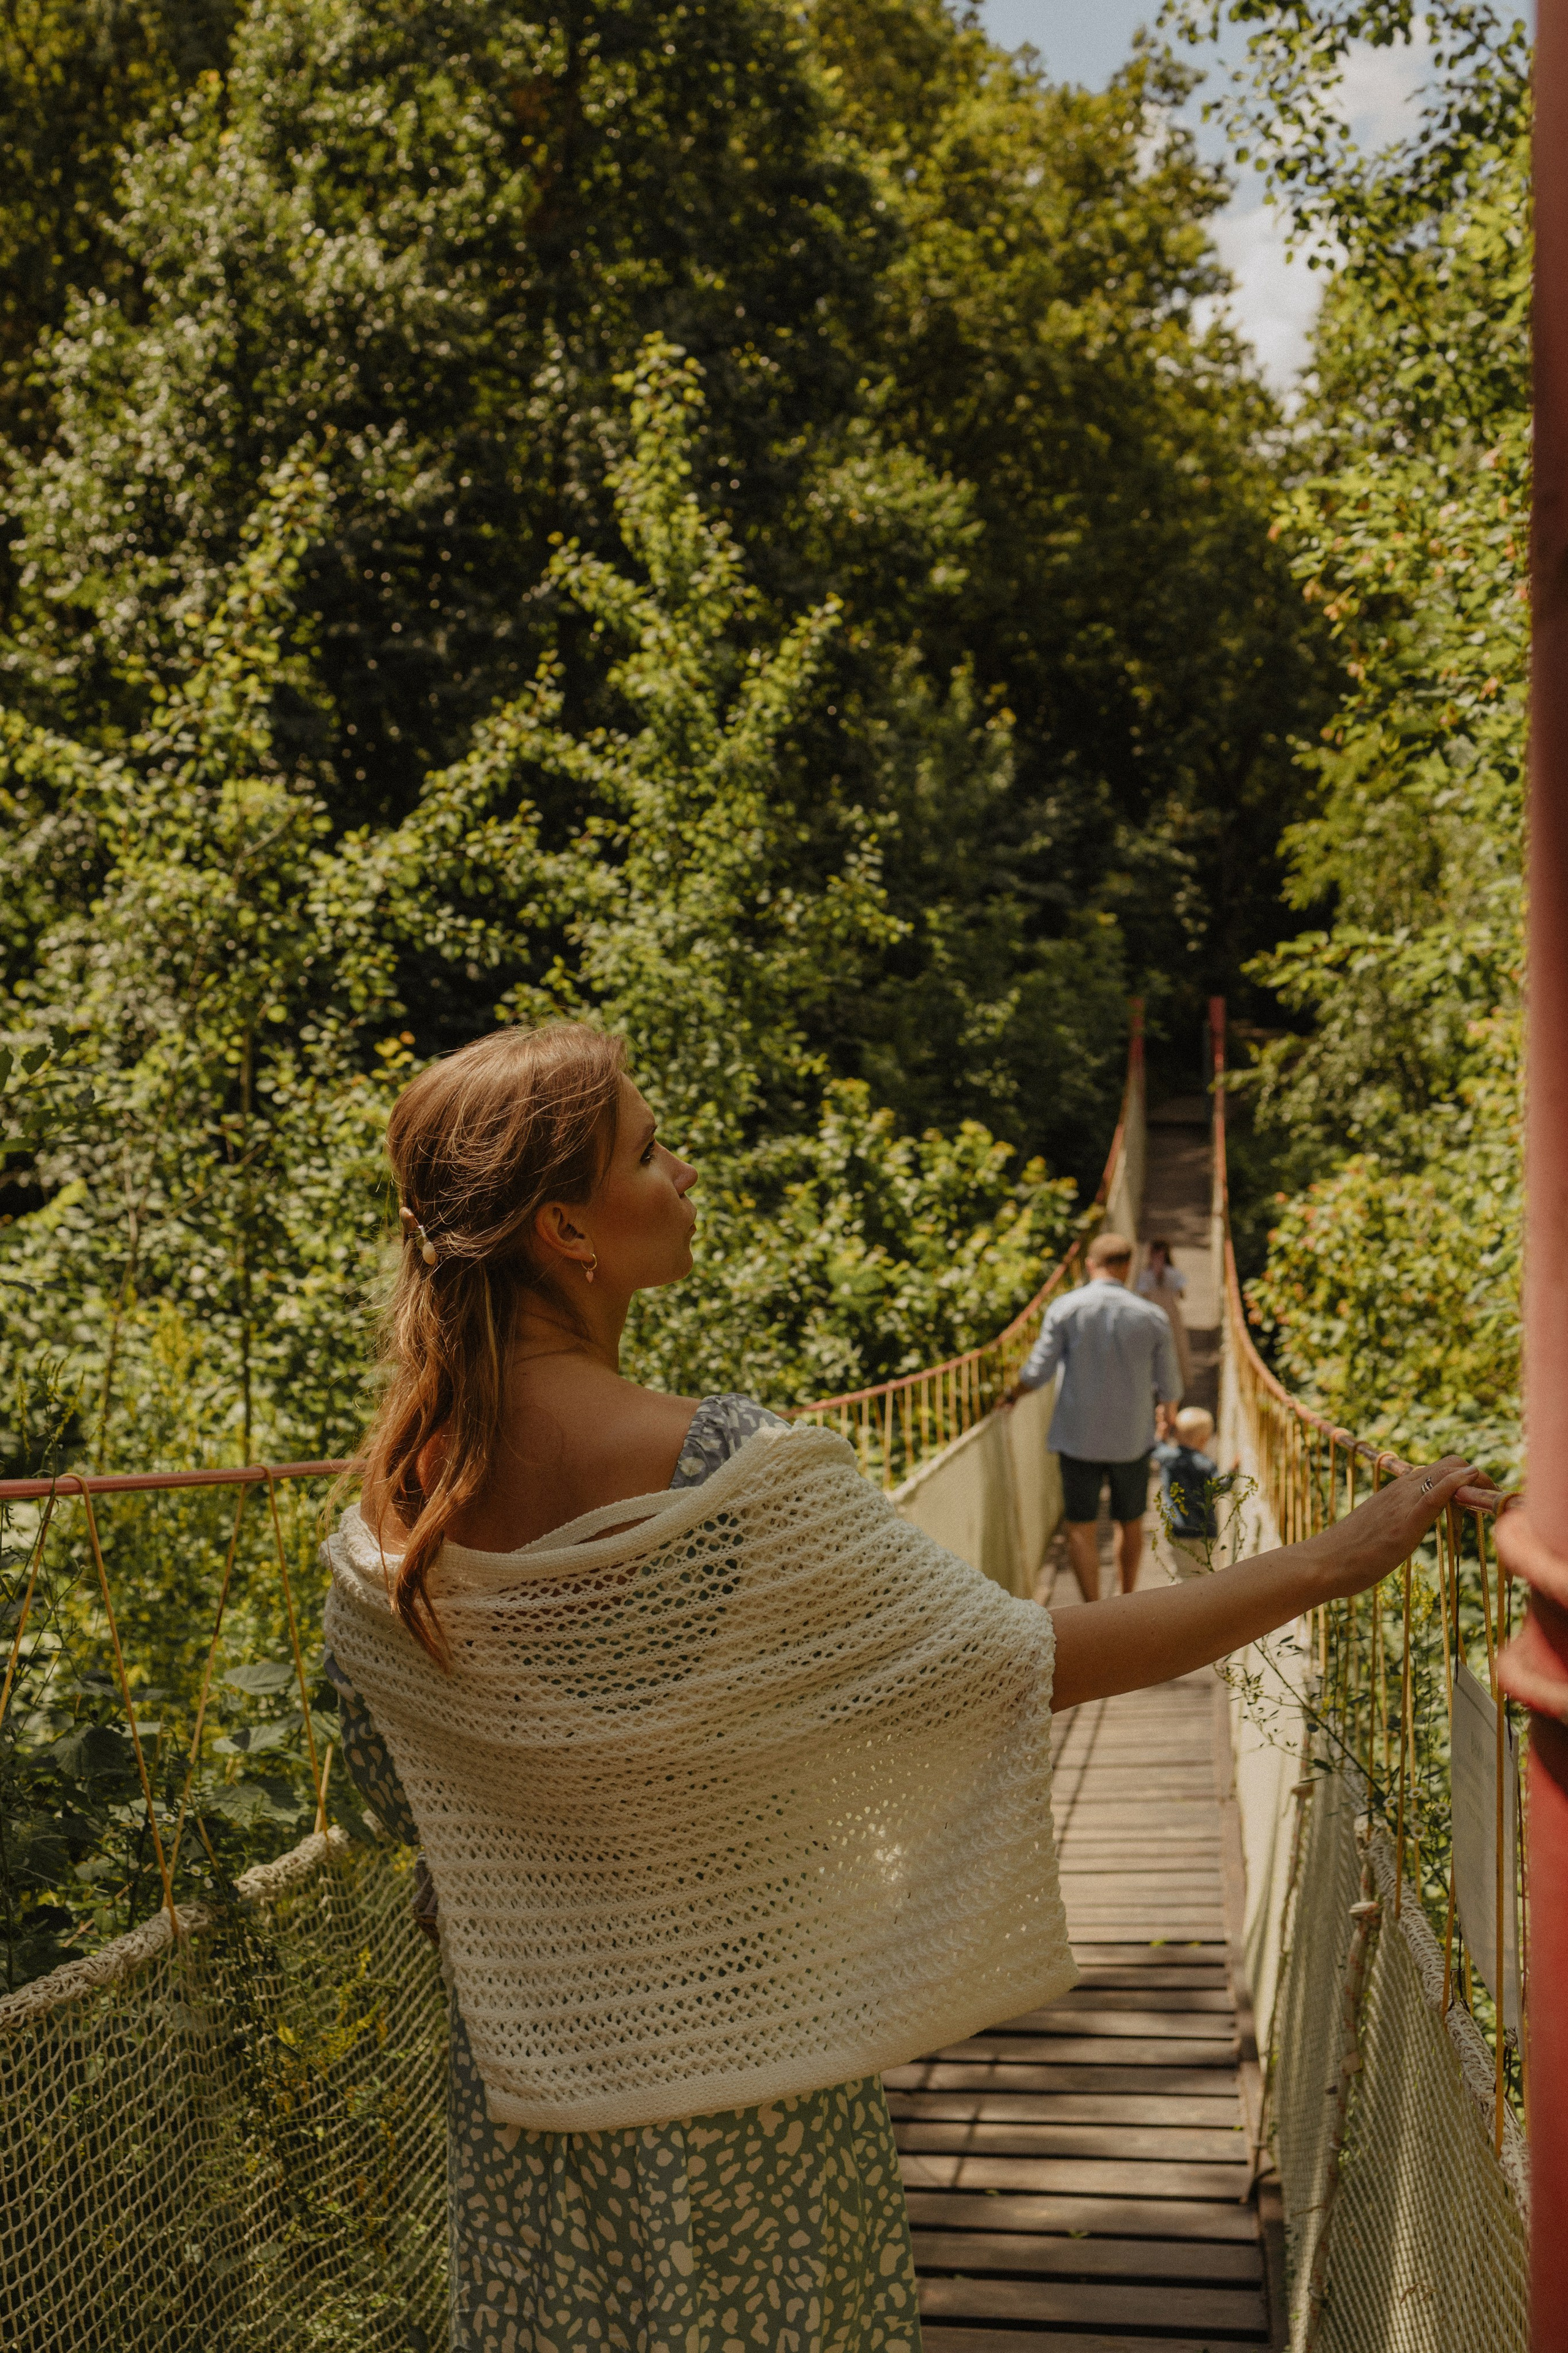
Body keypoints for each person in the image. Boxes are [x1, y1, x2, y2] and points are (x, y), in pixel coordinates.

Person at [321, 1023, 1479, 2353]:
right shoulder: (729, 1471)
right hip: (749, 2098)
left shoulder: (385, 1523)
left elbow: (397, 1806)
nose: (684, 1170)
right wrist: (1336, 1556)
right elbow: (1024, 1659)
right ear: (563, 1231)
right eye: (649, 1150)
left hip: (524, 2106)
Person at [1003, 1228, 1182, 1600]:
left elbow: (1037, 1372)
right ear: (1128, 1267)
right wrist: (1168, 1416)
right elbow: (1170, 1384)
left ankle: (1093, 1609)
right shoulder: (1152, 1316)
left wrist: (1011, 1396)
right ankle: (1127, 1600)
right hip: (1132, 1439)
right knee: (1130, 1523)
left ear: (1089, 1265)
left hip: (1077, 1437)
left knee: (1080, 1527)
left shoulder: (1066, 1308)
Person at [1153, 1404, 1230, 1546]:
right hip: (1204, 1530)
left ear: (1175, 1434)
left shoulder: (1168, 1457)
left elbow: (1156, 1448)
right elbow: (1220, 1486)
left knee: (1179, 1568)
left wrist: (1161, 1431)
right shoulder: (1206, 1465)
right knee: (1203, 1568)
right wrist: (1233, 1472)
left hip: (1177, 1529)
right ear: (1205, 1439)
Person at [1136, 1236, 1193, 1393]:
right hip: (1163, 1316)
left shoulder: (1158, 1274)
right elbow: (1182, 1295)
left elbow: (1143, 1296)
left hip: (1163, 1316)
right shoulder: (1160, 1274)